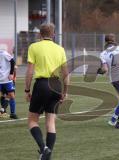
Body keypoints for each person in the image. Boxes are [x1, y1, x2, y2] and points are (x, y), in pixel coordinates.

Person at [25, 23, 69, 160]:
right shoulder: (60, 49)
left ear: (39, 34)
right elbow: (66, 74)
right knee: (51, 122)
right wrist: (65, 92)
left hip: (42, 85)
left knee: (32, 120)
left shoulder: (34, 47)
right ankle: (47, 155)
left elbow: (30, 72)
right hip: (56, 85)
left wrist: (27, 89)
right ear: (54, 34)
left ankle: (43, 148)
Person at [0, 48, 18, 119]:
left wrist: (11, 74)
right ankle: (3, 111)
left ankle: (12, 113)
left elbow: (12, 62)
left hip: (7, 80)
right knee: (2, 96)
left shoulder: (3, 53)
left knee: (11, 96)